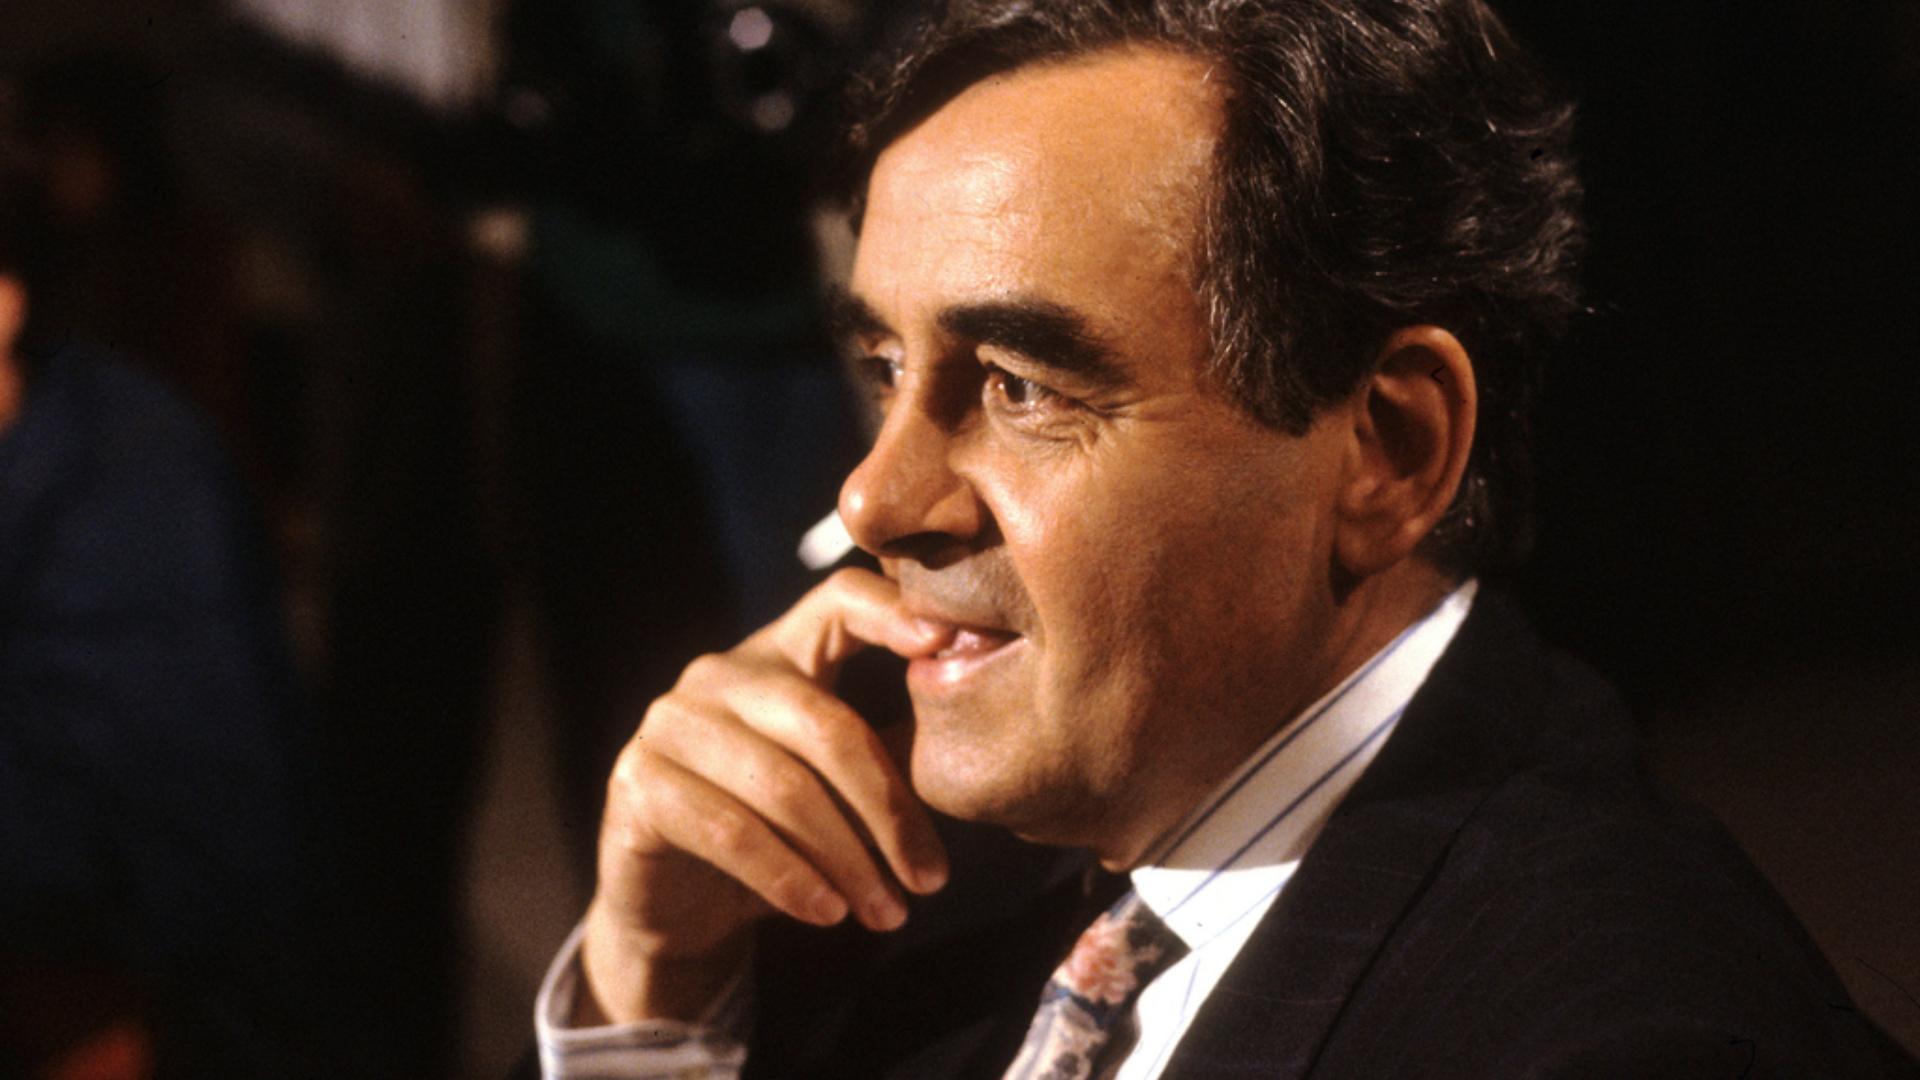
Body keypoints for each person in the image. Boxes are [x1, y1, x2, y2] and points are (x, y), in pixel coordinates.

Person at [531, 1, 1919, 1077]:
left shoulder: (1627, 1040)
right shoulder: (869, 881)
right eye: (887, 369)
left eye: (1018, 387)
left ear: (1389, 450)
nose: (873, 503)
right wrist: (657, 995)